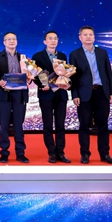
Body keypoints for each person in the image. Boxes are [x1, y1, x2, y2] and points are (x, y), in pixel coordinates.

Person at [68, 26, 112, 164]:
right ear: (80, 37)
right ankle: (85, 154)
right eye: (85, 35)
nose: (88, 37)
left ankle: (105, 154)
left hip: (102, 92)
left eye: (90, 34)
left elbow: (109, 73)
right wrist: (75, 94)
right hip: (84, 94)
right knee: (84, 125)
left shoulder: (102, 53)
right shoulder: (74, 54)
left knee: (103, 124)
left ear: (94, 37)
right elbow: (73, 77)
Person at [32, 30, 71, 163]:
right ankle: (51, 153)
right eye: (50, 38)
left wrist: (66, 83)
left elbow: (66, 74)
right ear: (45, 41)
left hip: (60, 94)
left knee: (60, 125)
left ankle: (61, 152)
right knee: (47, 125)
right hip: (46, 94)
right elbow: (34, 75)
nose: (53, 41)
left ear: (58, 41)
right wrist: (42, 85)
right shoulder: (38, 56)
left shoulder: (62, 56)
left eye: (55, 38)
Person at [0, 32, 30, 163]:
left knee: (19, 124)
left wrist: (29, 78)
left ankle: (20, 153)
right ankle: (4, 152)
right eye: (9, 39)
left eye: (14, 39)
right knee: (4, 125)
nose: (11, 41)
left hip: (19, 94)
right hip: (4, 94)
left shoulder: (23, 58)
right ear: (4, 42)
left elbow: (29, 74)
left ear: (17, 41)